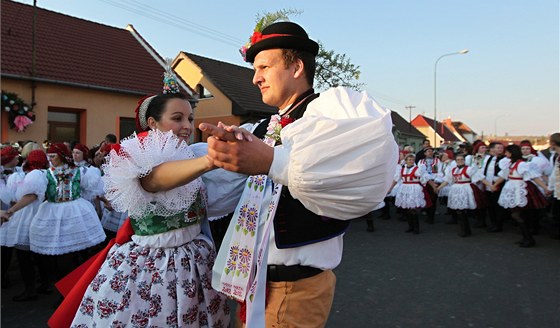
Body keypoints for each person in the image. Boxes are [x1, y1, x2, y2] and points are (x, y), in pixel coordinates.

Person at [201, 21, 397, 327]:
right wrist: (224, 153)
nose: (255, 78)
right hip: (255, 282)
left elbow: (355, 171)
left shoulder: (332, 114)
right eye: (255, 69)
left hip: (295, 285)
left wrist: (269, 160)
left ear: (296, 67)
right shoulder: (264, 127)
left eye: (264, 66)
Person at [67, 86, 239, 327]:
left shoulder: (191, 153)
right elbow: (154, 180)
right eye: (177, 118)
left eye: (190, 118)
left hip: (194, 258)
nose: (187, 126)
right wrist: (211, 160)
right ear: (153, 123)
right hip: (154, 264)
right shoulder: (139, 155)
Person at [0, 149, 51, 301]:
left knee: (24, 255)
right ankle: (45, 283)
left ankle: (30, 289)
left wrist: (11, 211)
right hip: (39, 213)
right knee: (38, 254)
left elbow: (29, 195)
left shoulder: (34, 175)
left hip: (27, 215)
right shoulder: (46, 174)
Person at [491, 145, 551, 247]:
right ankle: (526, 237)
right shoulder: (511, 163)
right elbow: (503, 176)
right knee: (517, 214)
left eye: (507, 152)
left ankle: (528, 238)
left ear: (511, 153)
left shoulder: (521, 164)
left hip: (521, 189)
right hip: (513, 188)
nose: (505, 154)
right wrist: (495, 185)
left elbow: (534, 177)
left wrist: (545, 187)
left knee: (518, 214)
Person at [435, 154, 485, 237]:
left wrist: (490, 186)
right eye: (458, 159)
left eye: (461, 159)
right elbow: (447, 180)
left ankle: (465, 230)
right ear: (455, 161)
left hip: (465, 189)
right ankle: (465, 229)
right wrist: (439, 188)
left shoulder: (469, 169)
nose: (460, 161)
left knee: (463, 210)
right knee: (459, 210)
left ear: (464, 160)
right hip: (456, 189)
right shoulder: (453, 170)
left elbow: (480, 178)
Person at [388, 153, 430, 234]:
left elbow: (424, 178)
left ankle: (416, 228)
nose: (411, 161)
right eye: (409, 160)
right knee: (407, 209)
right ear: (406, 161)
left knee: (413, 209)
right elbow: (396, 180)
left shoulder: (417, 169)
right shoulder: (402, 169)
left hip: (414, 189)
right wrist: (390, 189)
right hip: (405, 188)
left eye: (413, 160)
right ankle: (410, 226)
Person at [481, 142, 506, 232]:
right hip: (488, 185)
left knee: (498, 206)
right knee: (490, 206)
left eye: (501, 148)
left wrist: (494, 184)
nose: (500, 149)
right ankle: (493, 223)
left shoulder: (504, 159)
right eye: (498, 148)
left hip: (498, 185)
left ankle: (498, 225)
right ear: (492, 149)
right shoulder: (489, 158)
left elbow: (504, 174)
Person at [418, 147, 441, 223]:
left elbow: (438, 172)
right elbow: (420, 173)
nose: (430, 153)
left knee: (433, 199)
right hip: (425, 182)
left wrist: (435, 181)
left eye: (431, 151)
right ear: (425, 153)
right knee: (426, 198)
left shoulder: (437, 161)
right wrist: (427, 180)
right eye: (428, 151)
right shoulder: (421, 162)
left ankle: (431, 217)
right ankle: (428, 214)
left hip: (435, 182)